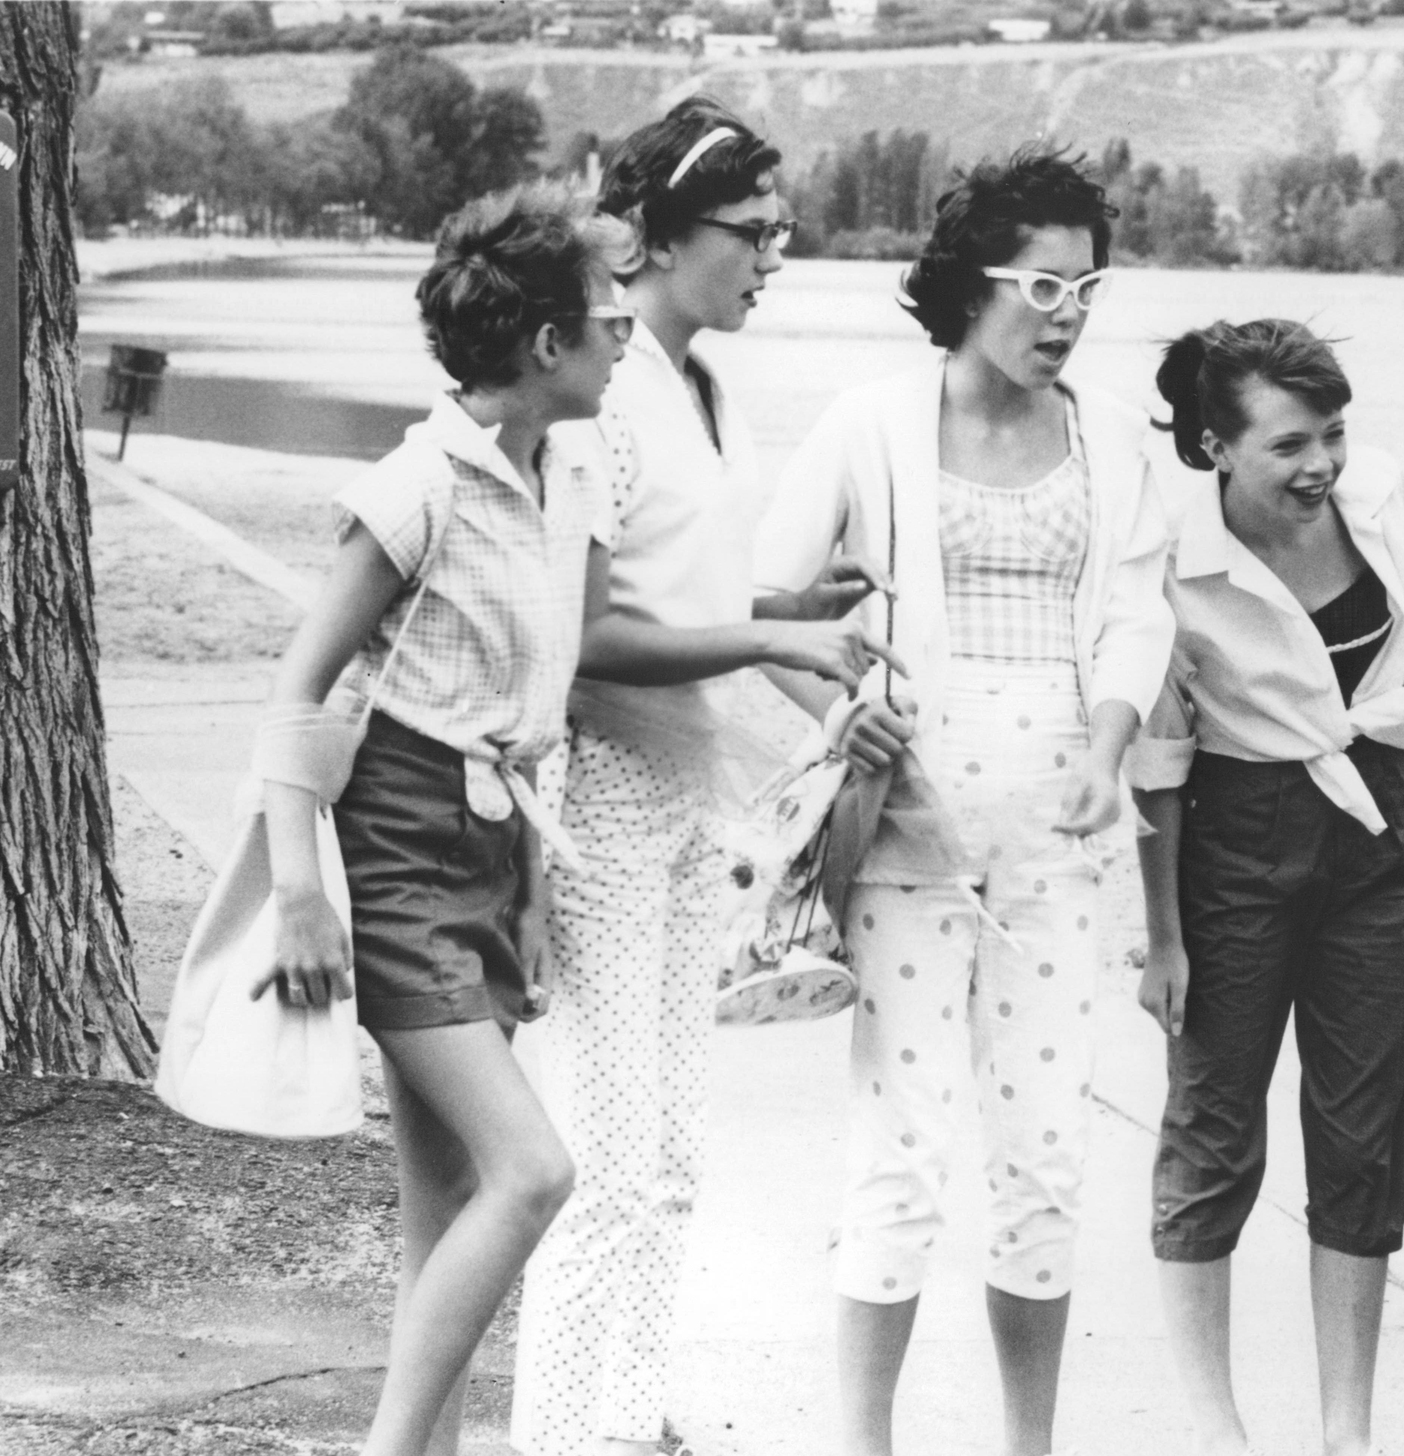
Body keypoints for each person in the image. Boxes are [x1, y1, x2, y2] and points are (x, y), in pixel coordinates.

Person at [752, 146, 1175, 1456]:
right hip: (905, 842)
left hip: (1056, 837)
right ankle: (864, 1441)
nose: (1068, 316)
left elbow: (1135, 613)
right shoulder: (872, 423)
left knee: (1046, 1155)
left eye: (1086, 290)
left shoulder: (1110, 436)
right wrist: (837, 711)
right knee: (902, 1145)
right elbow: (765, 609)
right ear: (970, 283)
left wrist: (1109, 753)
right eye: (1043, 287)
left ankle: (1027, 1445)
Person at [509, 98, 900, 1456]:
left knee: (669, 1166)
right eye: (750, 231)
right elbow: (583, 639)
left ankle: (626, 1429)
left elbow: (684, 586)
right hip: (609, 802)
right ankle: (559, 1440)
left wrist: (787, 598)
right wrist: (773, 631)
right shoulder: (606, 392)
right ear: (663, 235)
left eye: (781, 232)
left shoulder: (701, 387)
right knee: (602, 1176)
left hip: (686, 808)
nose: (772, 257)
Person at [258, 181, 626, 1456]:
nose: (623, 333)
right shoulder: (418, 485)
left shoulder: (571, 466)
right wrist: (299, 890)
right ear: (543, 345)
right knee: (533, 1173)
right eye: (606, 318)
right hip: (398, 850)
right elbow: (299, 689)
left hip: (491, 850)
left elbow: (544, 697)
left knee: (449, 1212)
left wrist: (525, 873)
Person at [1126, 319, 1404, 1456]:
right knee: (1214, 1129)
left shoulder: (1383, 494)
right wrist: (1162, 935)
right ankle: (1214, 1427)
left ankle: (1344, 1433)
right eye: (1289, 445)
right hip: (1235, 835)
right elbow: (1156, 761)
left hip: (1383, 824)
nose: (1320, 465)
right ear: (1213, 446)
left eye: (1334, 436)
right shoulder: (1166, 556)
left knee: (1361, 1138)